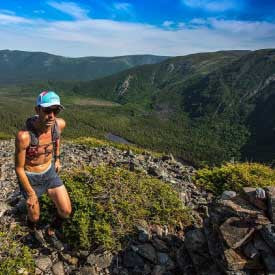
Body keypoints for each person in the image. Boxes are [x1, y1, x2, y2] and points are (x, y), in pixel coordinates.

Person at [15, 90, 72, 250]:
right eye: (47, 110)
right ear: (37, 110)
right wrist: (31, 194)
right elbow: (18, 168)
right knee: (35, 216)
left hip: (49, 172)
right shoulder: (24, 136)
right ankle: (32, 230)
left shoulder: (58, 125)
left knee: (66, 210)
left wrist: (58, 158)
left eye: (56, 111)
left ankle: (51, 231)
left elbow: (57, 137)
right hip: (30, 176)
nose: (52, 116)